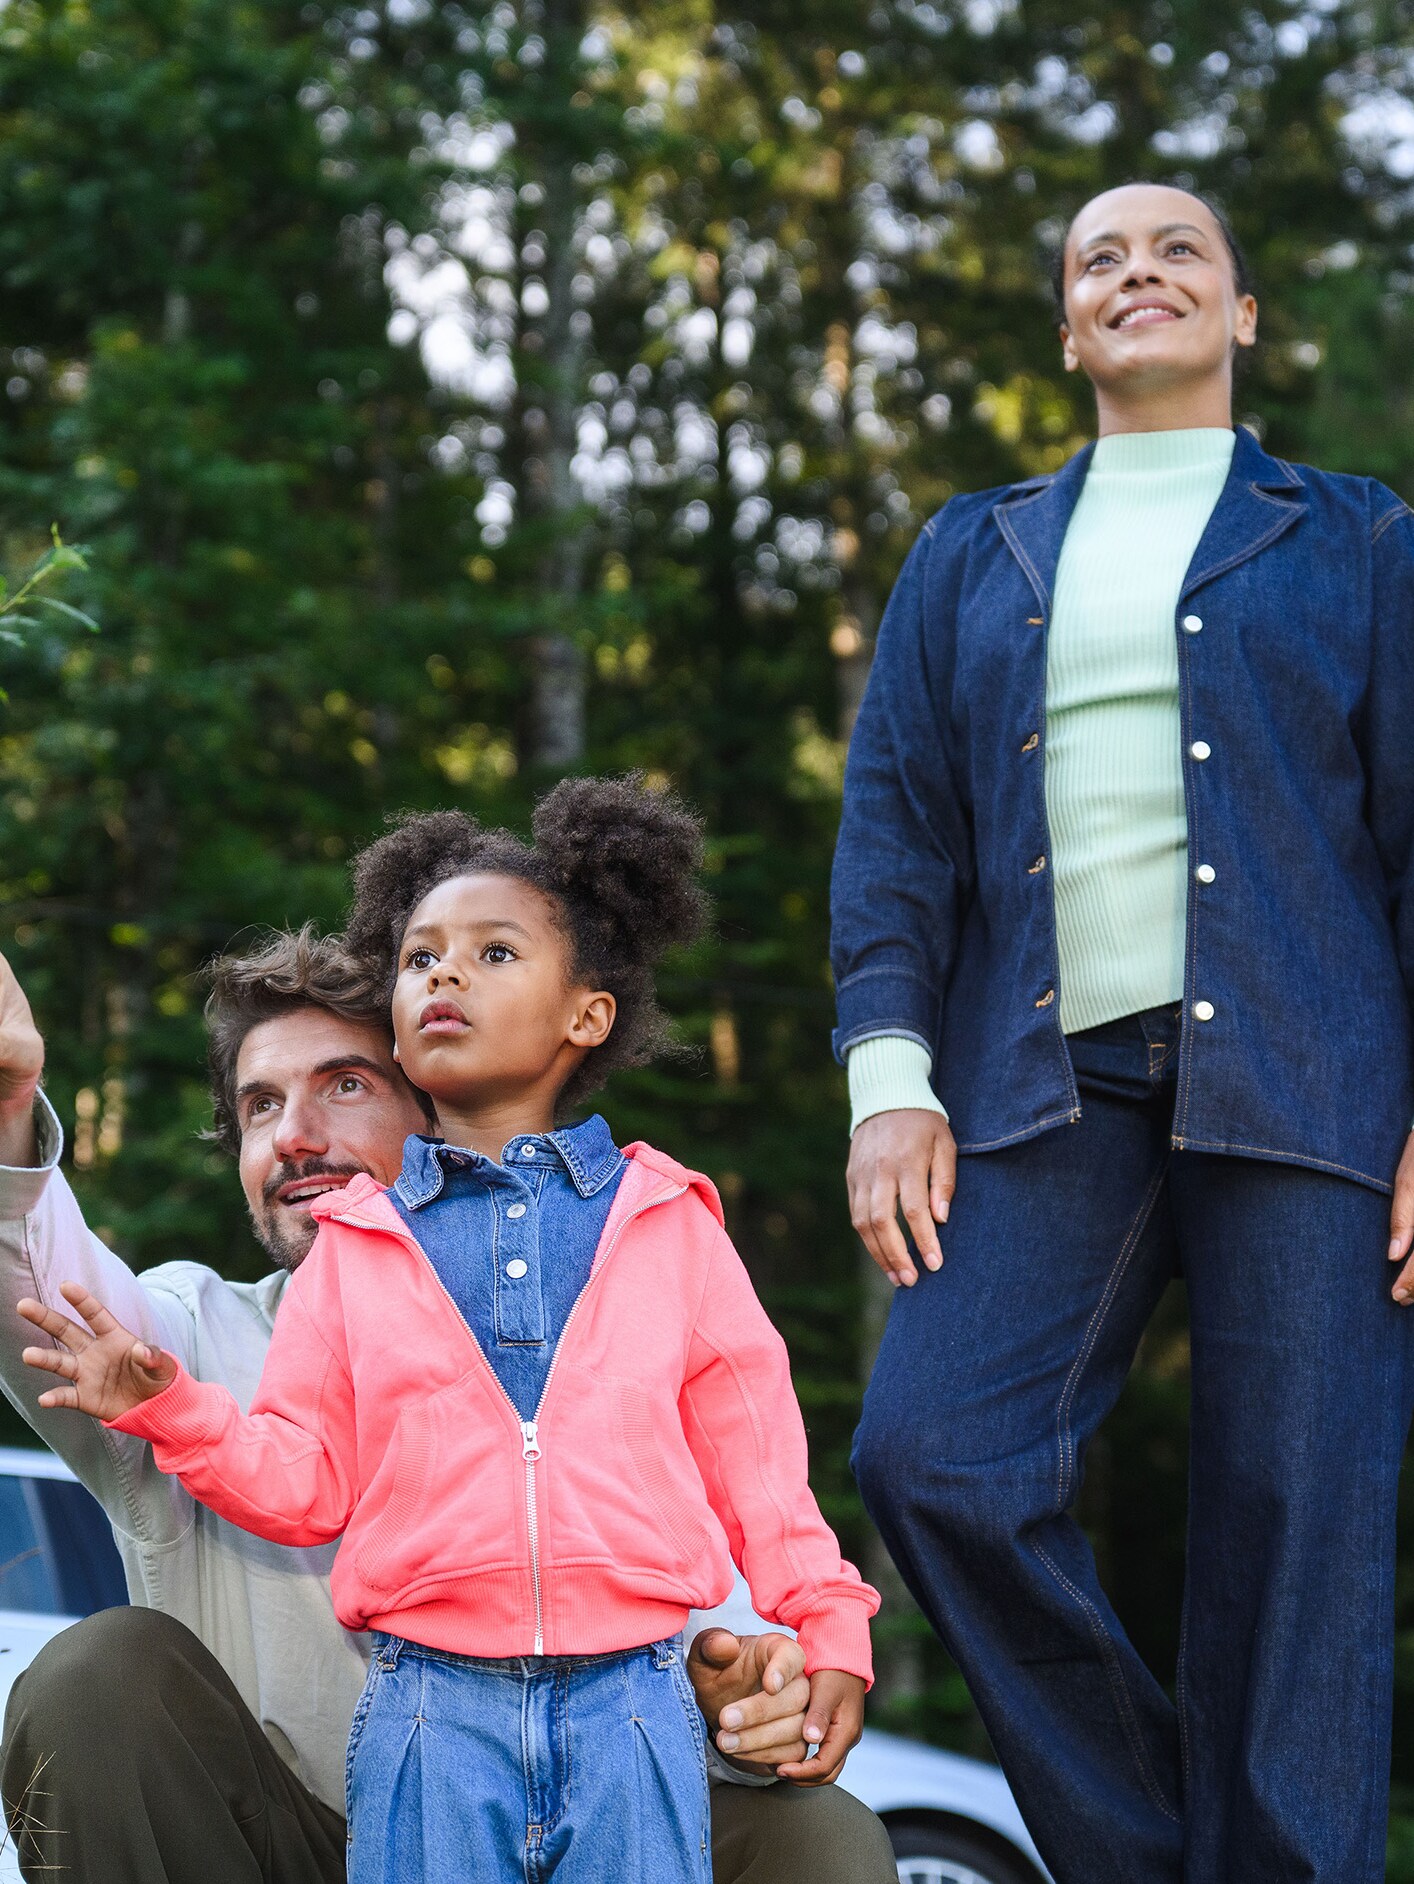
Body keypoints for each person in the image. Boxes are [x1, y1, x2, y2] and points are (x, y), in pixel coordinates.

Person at [833, 180, 1414, 1884]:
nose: (1136, 271)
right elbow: (891, 837)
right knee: (927, 1452)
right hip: (1038, 1088)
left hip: (1307, 1085)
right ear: (1066, 325)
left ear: (1237, 318)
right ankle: (1159, 1857)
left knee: (1292, 1530)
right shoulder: (972, 548)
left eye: (1178, 253)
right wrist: (889, 1083)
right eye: (1096, 254)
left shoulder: (1358, 540)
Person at [19, 776, 880, 1884]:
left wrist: (831, 1634)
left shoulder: (668, 1222)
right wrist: (167, 1405)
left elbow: (766, 1486)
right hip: (429, 1706)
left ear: (587, 1015)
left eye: (492, 954)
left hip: (629, 1706)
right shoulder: (357, 1249)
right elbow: (306, 1479)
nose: (445, 976)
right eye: (421, 959)